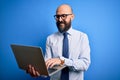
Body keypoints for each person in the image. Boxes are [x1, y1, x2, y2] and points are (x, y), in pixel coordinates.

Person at [26, 4, 91, 80]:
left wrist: (62, 61)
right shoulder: (50, 39)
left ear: (72, 17)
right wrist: (38, 72)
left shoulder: (82, 37)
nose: (60, 20)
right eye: (57, 16)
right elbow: (47, 67)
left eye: (64, 16)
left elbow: (85, 64)